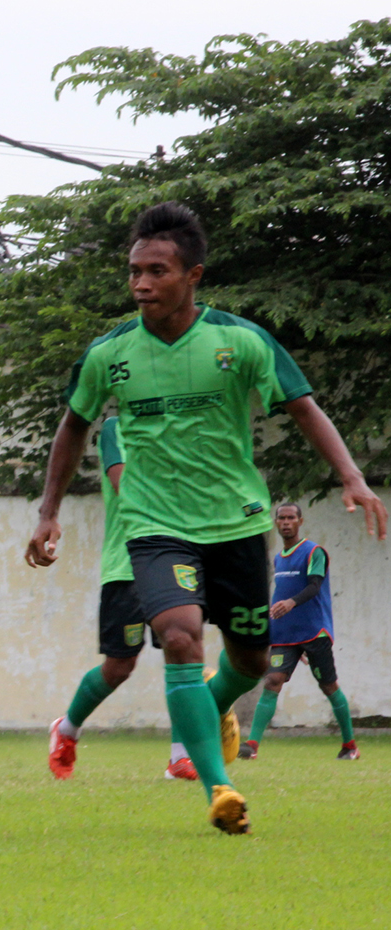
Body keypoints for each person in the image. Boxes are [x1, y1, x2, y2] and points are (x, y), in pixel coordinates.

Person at [27, 202, 385, 835]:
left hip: (238, 526)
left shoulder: (240, 341)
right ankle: (218, 787)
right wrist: (48, 511)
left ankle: (203, 712)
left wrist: (352, 477)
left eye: (156, 271)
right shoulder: (110, 352)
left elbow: (304, 408)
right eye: (134, 271)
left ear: (192, 275)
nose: (141, 284)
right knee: (180, 637)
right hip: (155, 528)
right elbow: (74, 426)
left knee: (248, 663)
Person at [46, 417, 200, 782]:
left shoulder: (182, 427)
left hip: (175, 559)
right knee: (119, 667)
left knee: (181, 651)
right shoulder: (116, 428)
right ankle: (66, 729)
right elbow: (123, 483)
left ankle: (180, 757)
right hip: (126, 565)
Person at [239, 503, 358, 760]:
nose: (285, 522)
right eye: (281, 518)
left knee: (328, 686)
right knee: (272, 682)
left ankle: (350, 745)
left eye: (291, 518)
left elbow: (315, 586)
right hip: (285, 635)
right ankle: (252, 746)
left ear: (300, 521)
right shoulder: (278, 558)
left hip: (314, 632)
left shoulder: (314, 551)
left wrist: (291, 603)